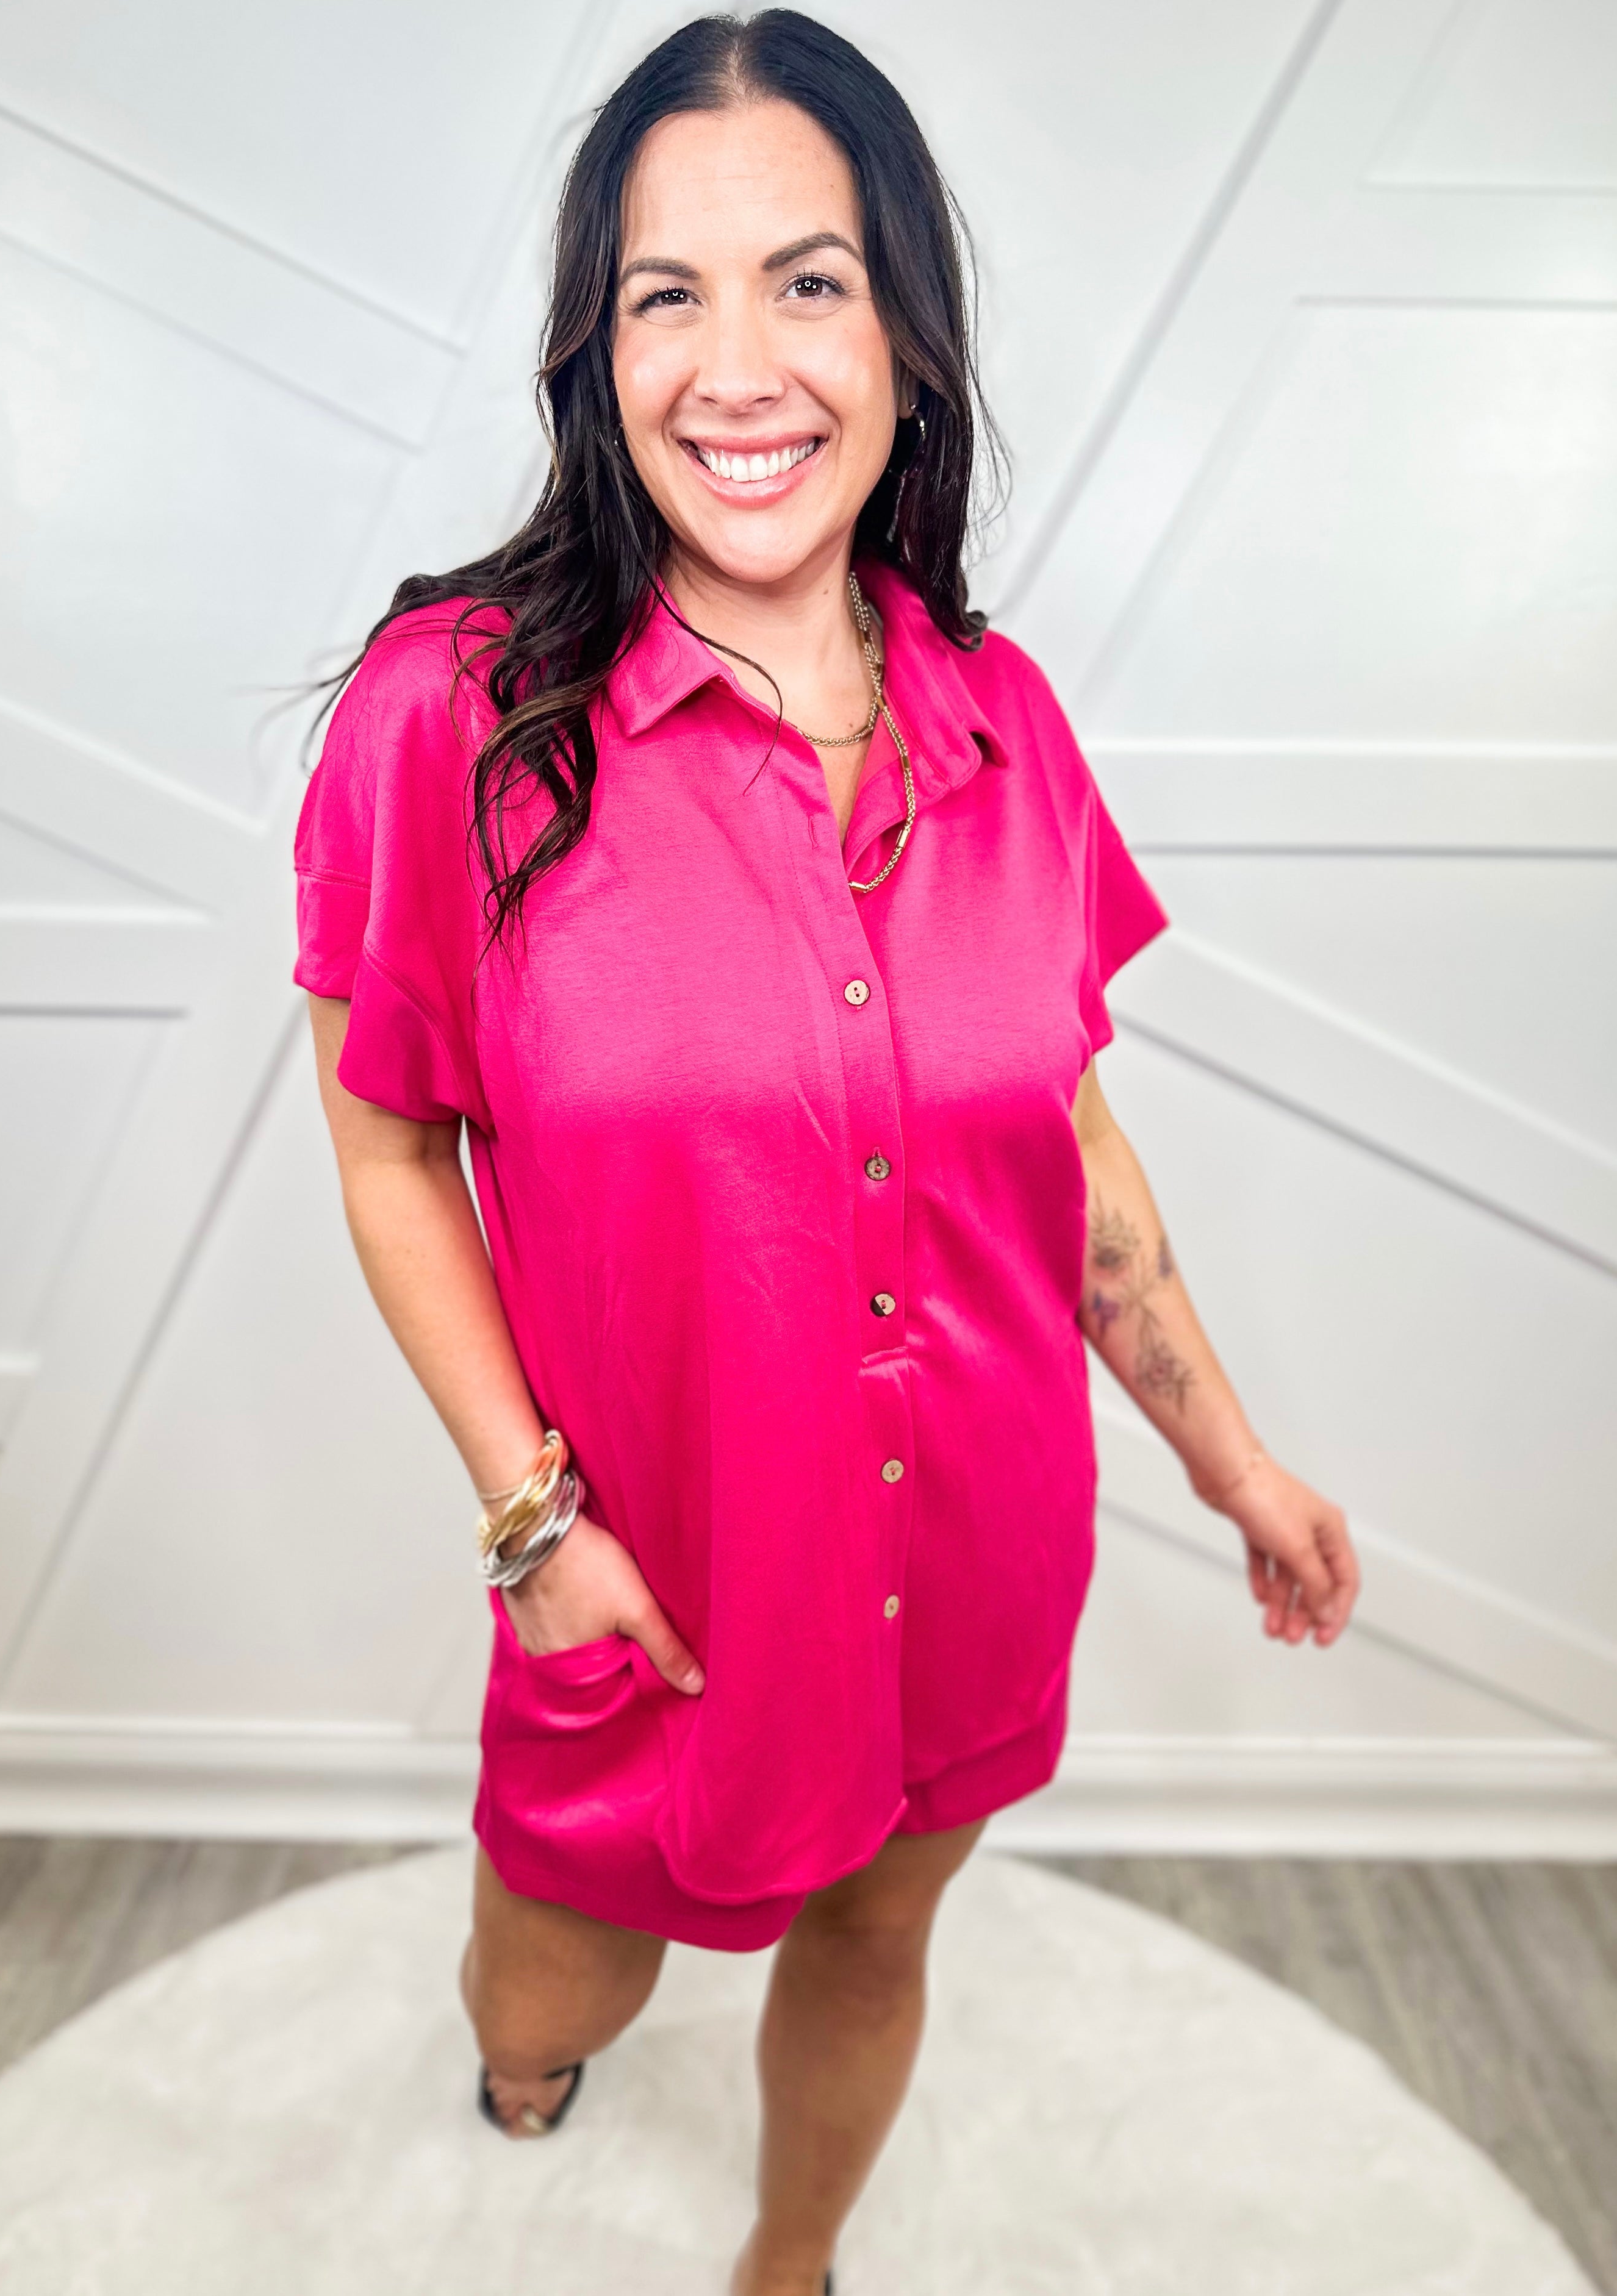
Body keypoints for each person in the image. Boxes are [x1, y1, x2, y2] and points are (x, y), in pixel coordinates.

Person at [294, 12, 1361, 2291]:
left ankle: (788, 2265)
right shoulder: (453, 726)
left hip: (970, 1546)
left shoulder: (1008, 723)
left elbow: (1072, 1152)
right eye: (665, 297)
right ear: (596, 355)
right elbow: (388, 1152)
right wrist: (531, 1524)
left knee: (878, 1935)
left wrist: (1233, 1460)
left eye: (809, 281)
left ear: (904, 340)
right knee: (546, 1990)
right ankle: (522, 2068)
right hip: (653, 1578)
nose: (738, 367)